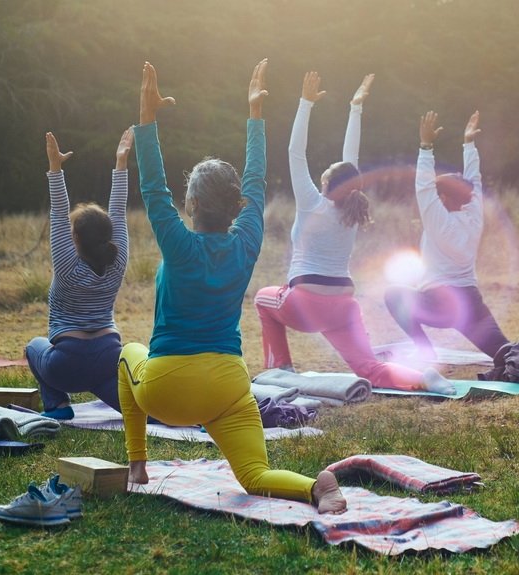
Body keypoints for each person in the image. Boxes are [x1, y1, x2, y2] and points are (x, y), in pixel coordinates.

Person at [118, 60, 346, 514]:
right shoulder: (246, 243)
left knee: (127, 351)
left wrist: (147, 121)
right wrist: (255, 118)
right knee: (254, 476)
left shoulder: (179, 244)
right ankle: (315, 487)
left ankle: (137, 464)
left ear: (194, 204)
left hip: (168, 390)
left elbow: (152, 187)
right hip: (228, 385)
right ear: (236, 204)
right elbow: (257, 184)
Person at [253, 72, 455, 394]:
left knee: (263, 299)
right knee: (369, 368)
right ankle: (425, 378)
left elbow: (295, 152)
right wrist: (355, 108)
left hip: (304, 304)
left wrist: (305, 103)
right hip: (344, 306)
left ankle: (281, 369)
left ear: (325, 183)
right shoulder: (351, 211)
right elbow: (352, 161)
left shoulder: (312, 203)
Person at [384, 110, 510, 362]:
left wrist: (426, 146)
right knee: (508, 354)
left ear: (443, 198)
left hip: (439, 304)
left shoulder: (438, 221)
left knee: (393, 294)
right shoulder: (474, 215)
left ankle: (424, 350)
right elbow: (474, 180)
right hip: (471, 304)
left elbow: (423, 187)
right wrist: (469, 144)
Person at [25, 128, 133, 420]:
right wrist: (121, 164)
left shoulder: (66, 266)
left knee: (33, 346)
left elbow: (59, 212)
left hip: (67, 365)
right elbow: (119, 211)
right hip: (109, 358)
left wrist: (55, 167)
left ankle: (58, 406)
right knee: (138, 408)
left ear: (74, 239)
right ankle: (165, 411)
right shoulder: (118, 260)